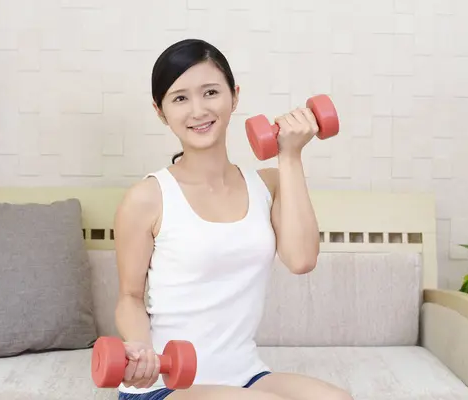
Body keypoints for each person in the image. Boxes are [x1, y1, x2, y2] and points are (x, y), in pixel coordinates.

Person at [113, 38, 353, 400]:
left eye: (210, 92)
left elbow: (302, 260)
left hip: (245, 375)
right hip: (167, 387)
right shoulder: (147, 198)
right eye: (180, 98)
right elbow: (129, 296)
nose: (198, 110)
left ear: (234, 96)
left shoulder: (268, 185)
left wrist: (289, 156)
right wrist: (140, 348)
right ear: (160, 111)